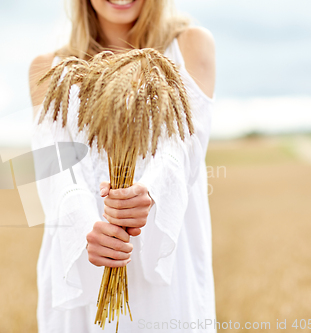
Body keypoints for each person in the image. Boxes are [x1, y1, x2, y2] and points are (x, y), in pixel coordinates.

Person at [28, 0, 216, 332]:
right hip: (84, 264)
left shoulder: (189, 46)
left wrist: (153, 192)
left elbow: (183, 146)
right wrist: (86, 227)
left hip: (166, 279)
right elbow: (54, 166)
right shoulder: (49, 68)